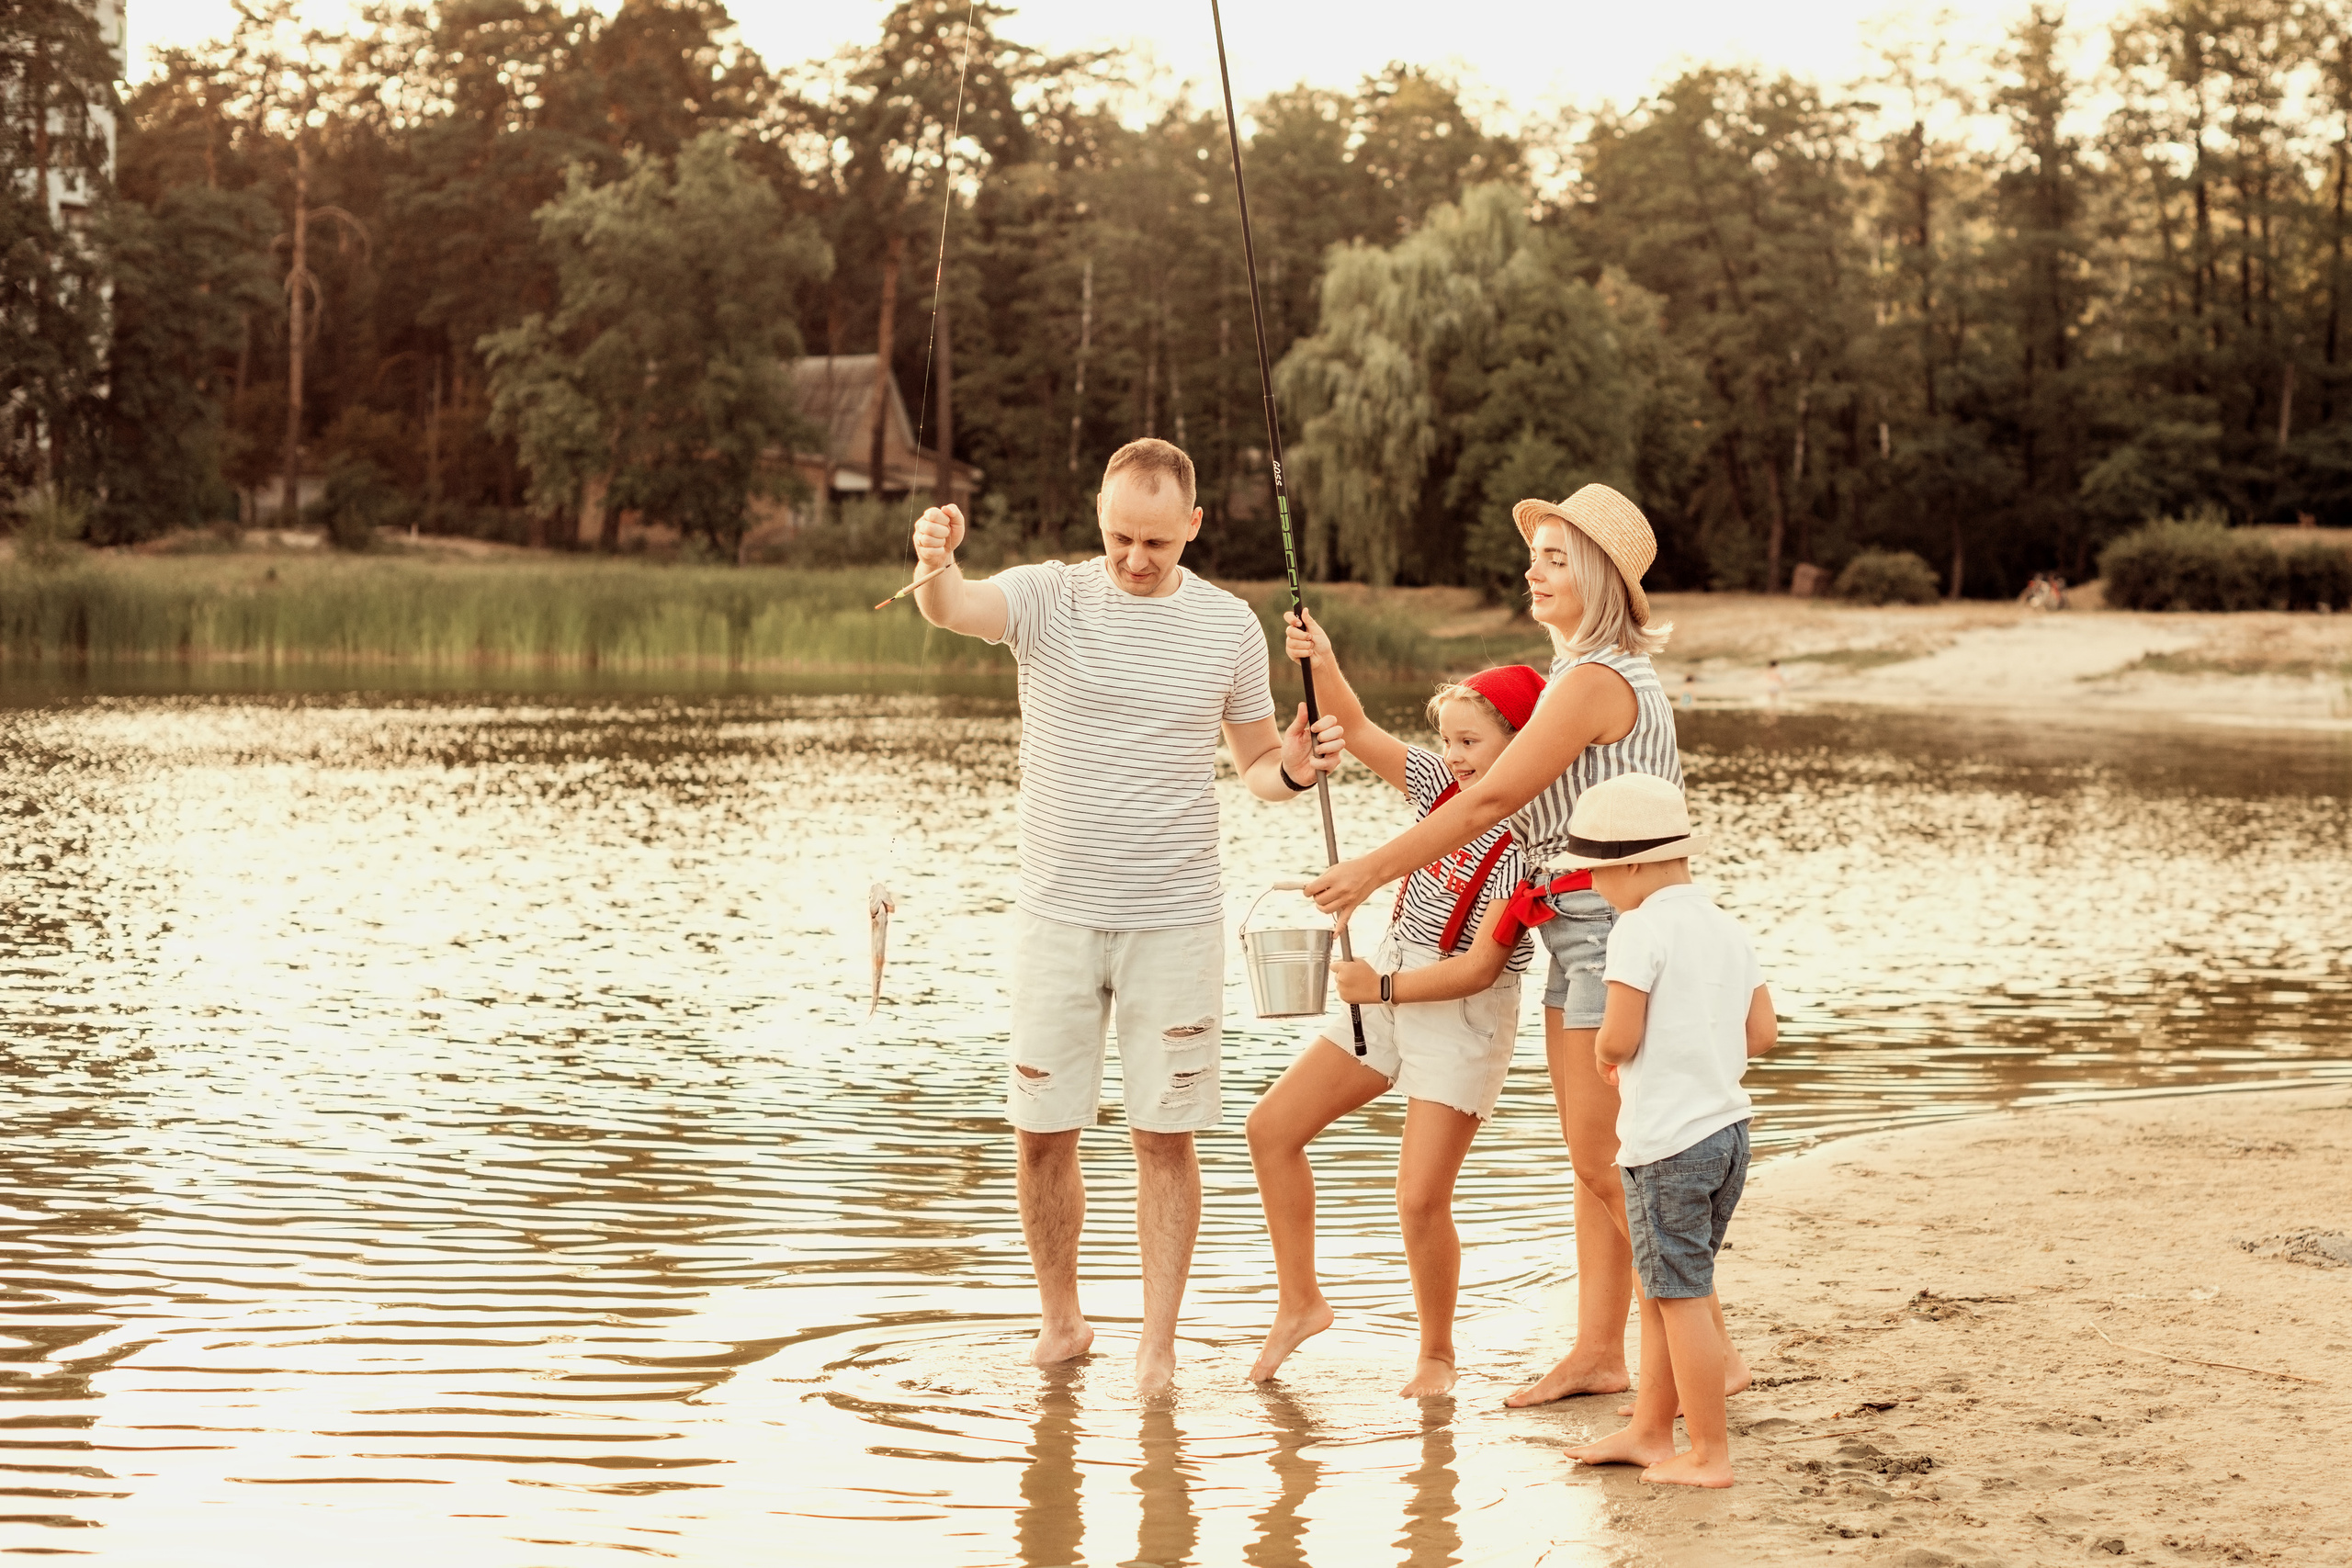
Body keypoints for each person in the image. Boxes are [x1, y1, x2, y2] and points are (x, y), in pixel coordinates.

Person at [908, 437, 1345, 1397]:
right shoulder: (1046, 597)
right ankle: (1061, 1322)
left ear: (1193, 525)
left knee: (1163, 1134)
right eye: (1119, 539)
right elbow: (953, 608)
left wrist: (1295, 767)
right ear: (1097, 518)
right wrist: (935, 563)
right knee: (1040, 1130)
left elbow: (1258, 766)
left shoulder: (1228, 626)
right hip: (1054, 917)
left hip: (1175, 919)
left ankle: (1156, 1346)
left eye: (1156, 541)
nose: (1136, 559)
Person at [1303, 483, 1748, 1409]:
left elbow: (1492, 800)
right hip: (1577, 933)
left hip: (1608, 933)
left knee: (1614, 1162)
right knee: (1596, 1164)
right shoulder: (1596, 675)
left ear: (1598, 577)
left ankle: (1708, 1348)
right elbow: (1475, 791)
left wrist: (1371, 871)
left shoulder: (1593, 681)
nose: (1533, 572)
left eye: (1555, 559)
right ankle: (1599, 1352)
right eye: (1534, 556)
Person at [1244, 613, 1544, 1396]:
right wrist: (1323, 656)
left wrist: (1379, 986)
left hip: (1460, 1011)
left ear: (1523, 744)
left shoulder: (1526, 842)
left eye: (1471, 741)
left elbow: (1480, 969)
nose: (1454, 755)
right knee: (1271, 1128)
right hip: (1389, 978)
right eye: (1448, 739)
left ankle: (1437, 1354)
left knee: (1418, 1197)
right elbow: (1357, 726)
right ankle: (1301, 1300)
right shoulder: (1438, 787)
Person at [1558, 773, 1776, 1487]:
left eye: (1594, 872)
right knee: (1667, 1285)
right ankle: (1651, 1430)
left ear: (1632, 867)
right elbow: (1762, 1033)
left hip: (1668, 1145)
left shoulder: (1638, 929)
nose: (1591, 886)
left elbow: (1619, 1033)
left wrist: (1605, 1052)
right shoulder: (1725, 926)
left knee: (1680, 1298)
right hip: (1728, 1133)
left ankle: (1709, 1452)